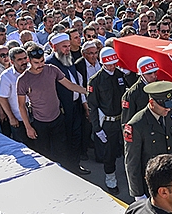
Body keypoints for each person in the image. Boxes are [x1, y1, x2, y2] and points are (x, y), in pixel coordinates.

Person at [16, 45, 88, 174]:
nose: (40, 65)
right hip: (39, 122)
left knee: (62, 150)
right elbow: (21, 106)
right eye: (36, 63)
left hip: (57, 118)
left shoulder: (52, 70)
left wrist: (87, 92)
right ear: (29, 61)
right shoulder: (23, 80)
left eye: (42, 61)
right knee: (44, 153)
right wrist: (28, 127)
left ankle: (66, 174)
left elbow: (70, 85)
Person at [45, 32, 90, 171]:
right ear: (54, 47)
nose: (67, 49)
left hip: (75, 106)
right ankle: (65, 169)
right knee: (64, 140)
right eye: (64, 47)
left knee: (76, 137)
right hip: (62, 110)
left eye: (68, 46)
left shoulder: (68, 58)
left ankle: (75, 166)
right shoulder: (49, 64)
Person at [88, 46, 127, 194]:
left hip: (122, 120)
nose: (112, 66)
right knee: (109, 153)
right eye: (109, 64)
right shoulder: (95, 81)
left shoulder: (120, 75)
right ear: (103, 63)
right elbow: (93, 106)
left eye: (114, 63)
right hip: (107, 123)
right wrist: (97, 128)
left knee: (127, 150)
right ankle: (110, 179)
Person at [0, 46, 30, 144]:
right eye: (20, 59)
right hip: (18, 118)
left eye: (25, 58)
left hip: (35, 116)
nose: (24, 61)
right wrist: (11, 117)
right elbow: (2, 98)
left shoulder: (31, 70)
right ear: (12, 61)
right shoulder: (6, 76)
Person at [121, 56, 159, 126]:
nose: (153, 76)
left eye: (155, 72)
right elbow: (127, 122)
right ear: (141, 74)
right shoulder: (132, 94)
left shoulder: (160, 87)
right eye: (149, 73)